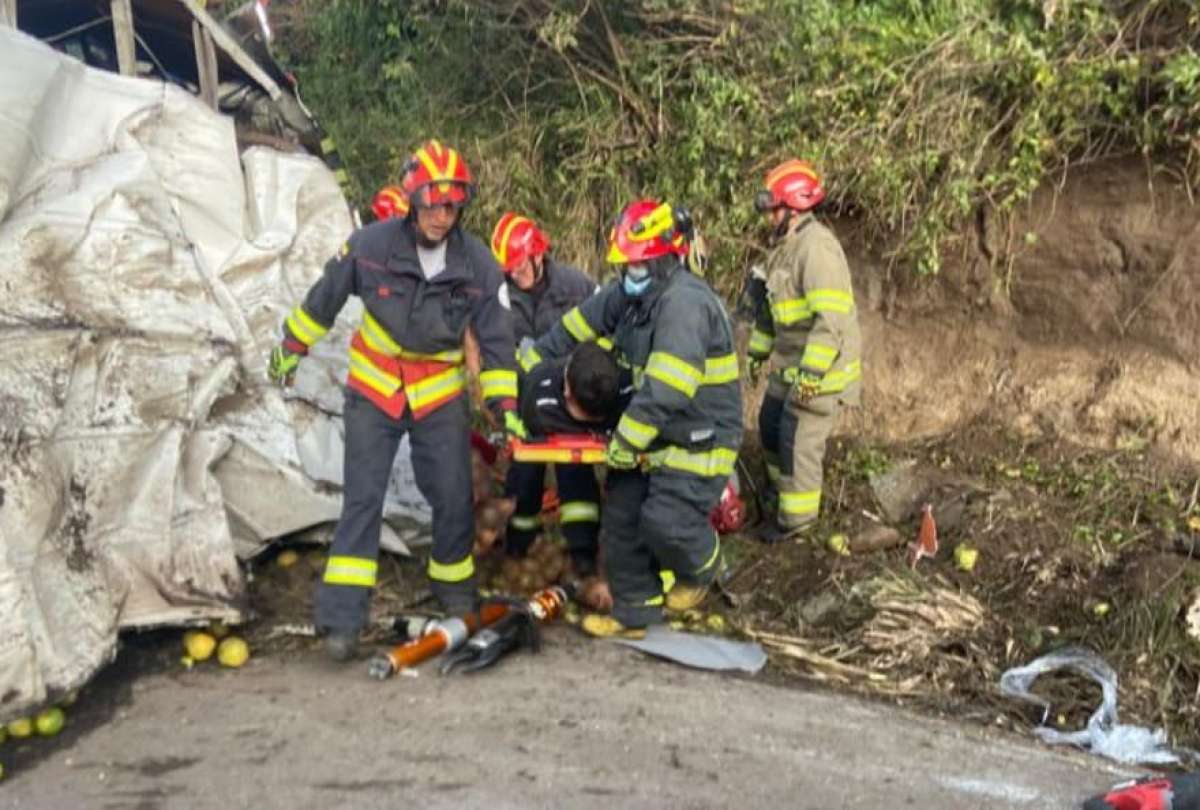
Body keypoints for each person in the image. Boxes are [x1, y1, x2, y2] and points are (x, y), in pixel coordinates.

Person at [267, 139, 522, 661]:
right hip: (375, 389)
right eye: (432, 204)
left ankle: (456, 597)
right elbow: (323, 299)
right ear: (412, 200)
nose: (441, 216)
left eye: (451, 206)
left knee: (452, 497)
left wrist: (506, 411)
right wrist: (291, 347)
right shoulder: (370, 246)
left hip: (438, 396)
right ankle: (342, 622)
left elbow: (496, 343)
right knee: (363, 499)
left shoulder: (479, 266)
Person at [529, 199, 743, 638]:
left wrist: (624, 442)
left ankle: (705, 567)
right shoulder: (628, 296)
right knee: (622, 520)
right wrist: (529, 374)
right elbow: (572, 329)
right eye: (627, 264)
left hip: (699, 437)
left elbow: (668, 387)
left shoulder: (684, 304)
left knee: (665, 522)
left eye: (639, 264)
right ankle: (637, 612)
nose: (631, 272)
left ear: (667, 258)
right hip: (652, 436)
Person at [745, 159, 862, 543]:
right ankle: (782, 497)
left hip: (819, 372)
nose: (768, 219)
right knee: (770, 425)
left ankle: (797, 522)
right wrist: (757, 354)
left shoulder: (817, 250)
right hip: (789, 366)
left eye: (773, 210)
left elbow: (831, 321)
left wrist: (812, 375)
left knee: (797, 437)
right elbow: (770, 312)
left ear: (793, 209)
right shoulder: (785, 248)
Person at [489, 212, 602, 577]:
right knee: (523, 479)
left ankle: (583, 551)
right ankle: (519, 547)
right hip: (525, 406)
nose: (514, 273)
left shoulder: (576, 286)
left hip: (570, 404)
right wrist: (503, 408)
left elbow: (607, 322)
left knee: (575, 475)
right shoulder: (501, 298)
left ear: (538, 254)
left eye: (519, 264)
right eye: (508, 267)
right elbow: (496, 356)